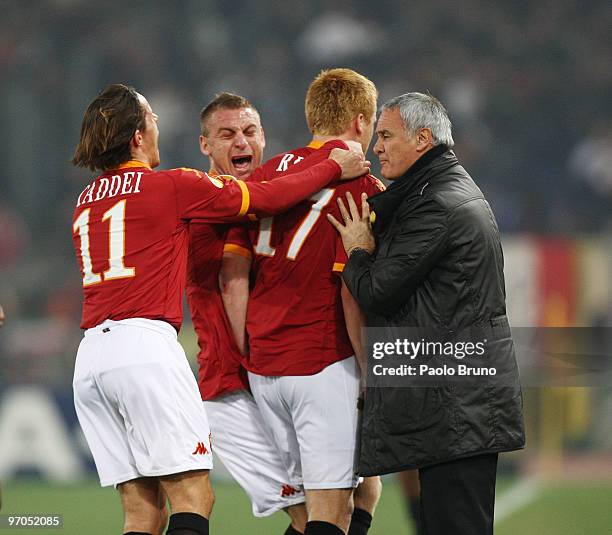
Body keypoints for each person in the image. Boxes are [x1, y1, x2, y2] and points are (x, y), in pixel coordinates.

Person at [70, 83, 369, 535]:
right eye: (151, 120)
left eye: (250, 131)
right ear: (137, 136)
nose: (157, 128)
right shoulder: (177, 187)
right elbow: (264, 200)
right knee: (200, 498)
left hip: (92, 356)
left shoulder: (86, 201)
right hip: (177, 362)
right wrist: (331, 165)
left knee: (143, 512)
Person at [328, 92, 525, 535]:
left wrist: (357, 249)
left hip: (458, 404)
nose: (376, 147)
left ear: (422, 138)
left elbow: (377, 290)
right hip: (456, 401)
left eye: (386, 136)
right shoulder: (436, 191)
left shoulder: (437, 203)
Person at [222, 68, 384, 535]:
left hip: (266, 367)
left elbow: (233, 276)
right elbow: (353, 292)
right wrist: (371, 371)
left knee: (353, 494)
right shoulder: (362, 187)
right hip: (321, 363)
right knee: (330, 513)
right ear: (360, 121)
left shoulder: (265, 175)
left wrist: (248, 350)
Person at [187, 92, 308, 534]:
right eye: (227, 134)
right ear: (206, 146)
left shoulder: (266, 202)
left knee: (346, 498)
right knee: (312, 513)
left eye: (249, 131)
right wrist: (332, 163)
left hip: (278, 375)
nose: (241, 141)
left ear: (263, 137)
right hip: (232, 383)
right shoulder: (210, 198)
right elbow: (230, 281)